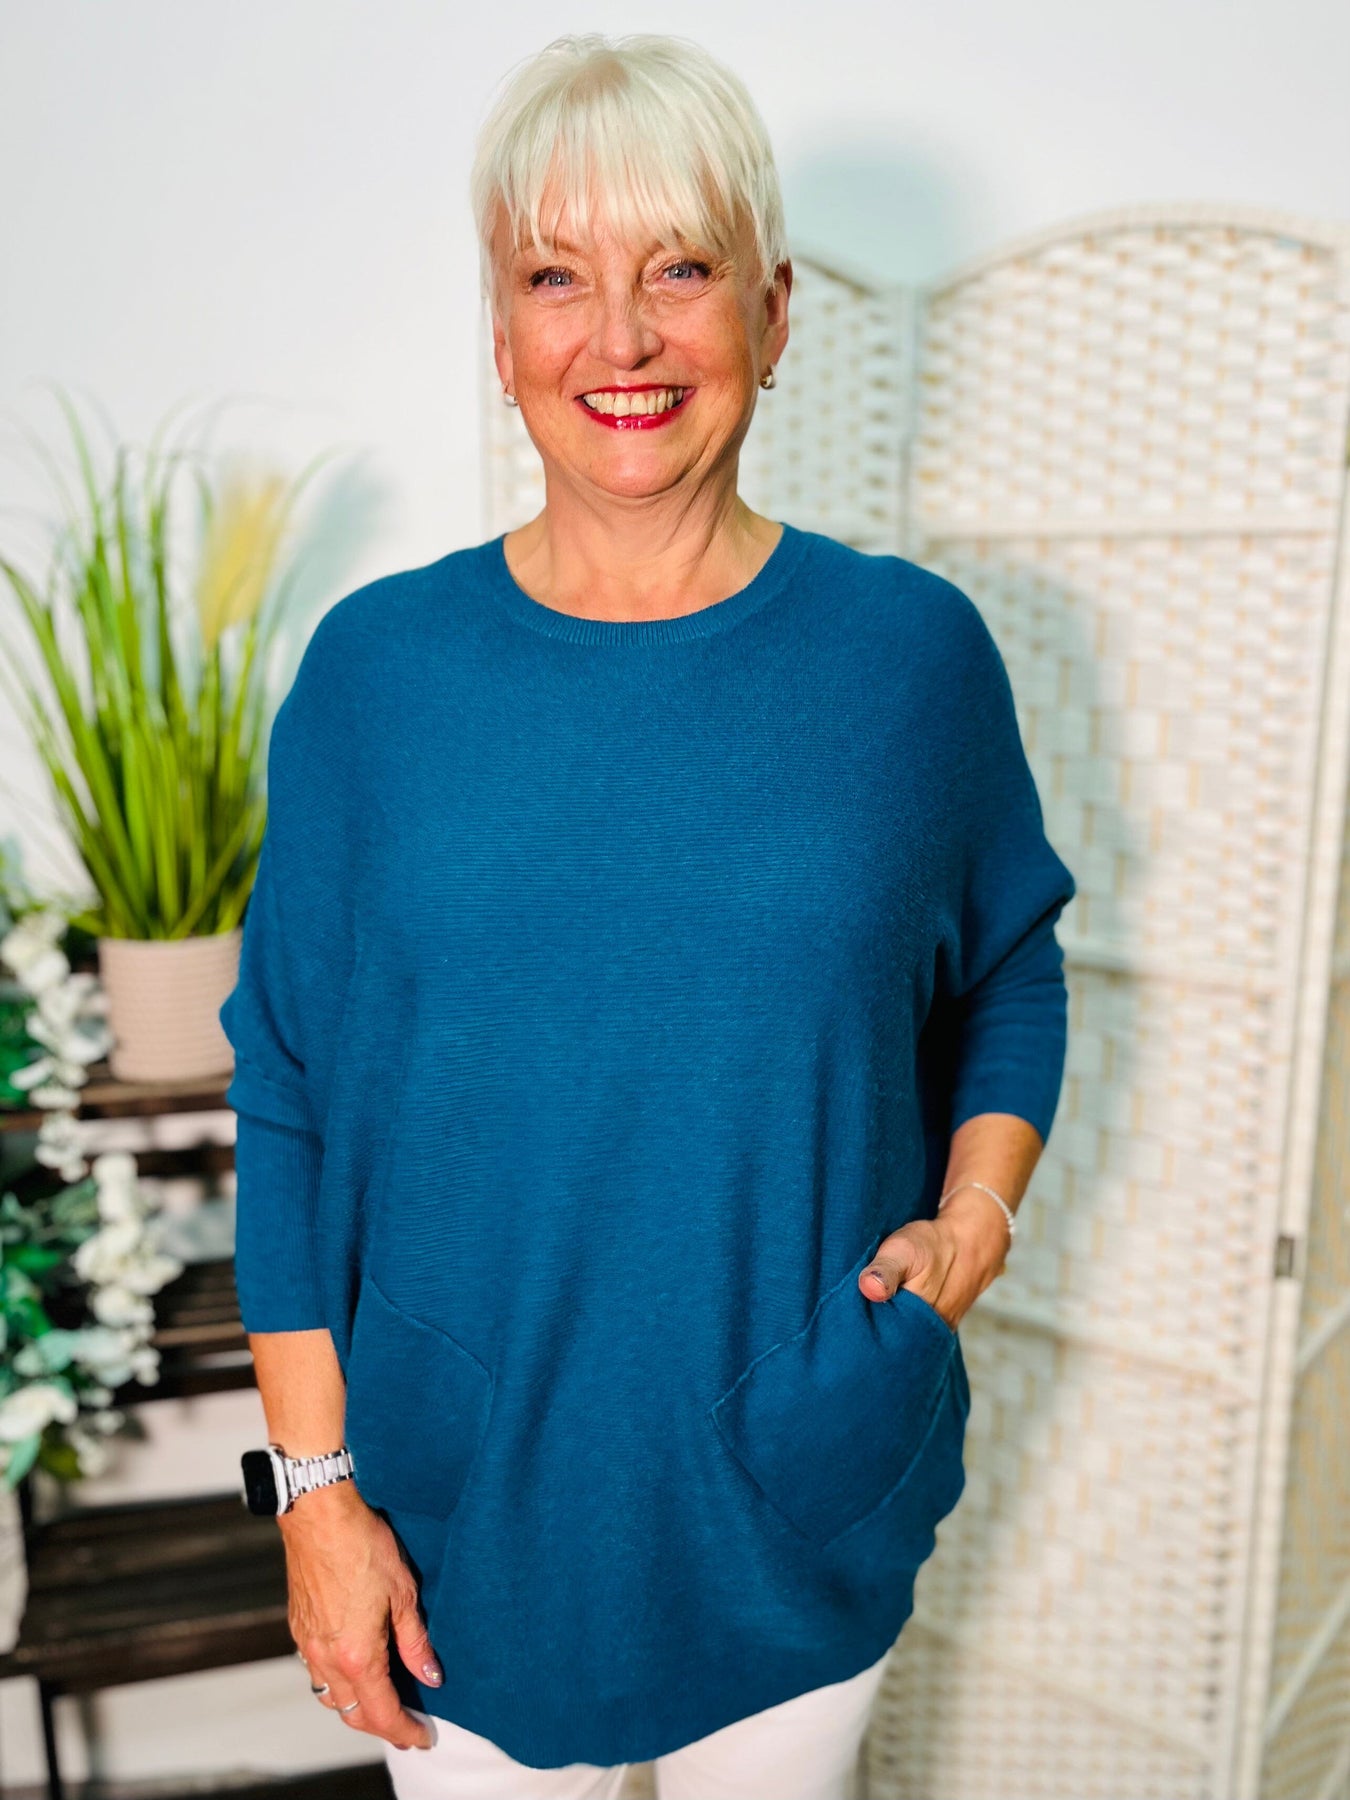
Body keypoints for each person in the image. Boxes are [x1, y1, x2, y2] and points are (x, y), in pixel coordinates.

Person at [219, 30, 1076, 1800]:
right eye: (556, 278)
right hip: (450, 1522)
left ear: (772, 310)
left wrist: (977, 1215)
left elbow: (1006, 964)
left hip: (798, 1480)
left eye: (678, 270)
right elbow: (285, 1090)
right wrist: (314, 1496)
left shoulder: (908, 662)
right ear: (500, 330)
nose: (619, 339)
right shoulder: (375, 677)